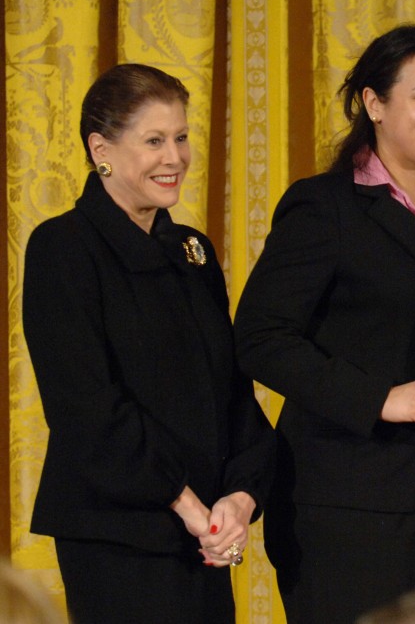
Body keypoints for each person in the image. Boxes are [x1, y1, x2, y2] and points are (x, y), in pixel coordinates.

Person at [233, 24, 415, 623]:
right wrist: (378, 398)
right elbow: (259, 338)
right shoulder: (325, 206)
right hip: (342, 499)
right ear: (373, 103)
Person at [22, 63, 276, 623]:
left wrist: (240, 496)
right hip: (119, 537)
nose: (176, 158)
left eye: (182, 137)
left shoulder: (193, 250)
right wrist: (186, 505)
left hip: (205, 535)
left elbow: (233, 392)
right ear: (101, 148)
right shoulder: (63, 248)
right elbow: (87, 410)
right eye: (155, 141)